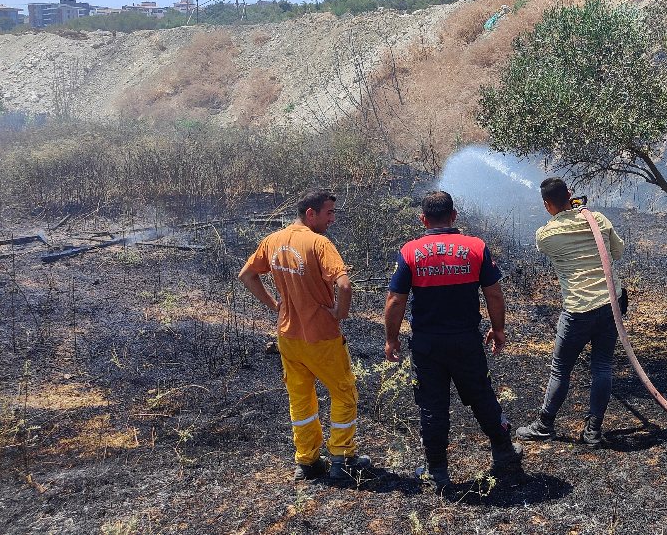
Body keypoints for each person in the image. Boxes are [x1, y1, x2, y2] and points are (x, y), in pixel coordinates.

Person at [383, 191, 522, 492]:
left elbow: (395, 300)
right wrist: (499, 330)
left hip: (427, 344)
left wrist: (391, 339)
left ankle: (438, 472)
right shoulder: (476, 247)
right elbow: (494, 294)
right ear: (454, 216)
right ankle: (504, 452)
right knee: (482, 397)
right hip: (466, 341)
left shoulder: (410, 252)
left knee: (433, 407)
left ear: (423, 219)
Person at [239, 189, 375, 482]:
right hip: (322, 337)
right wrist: (340, 313)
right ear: (310, 213)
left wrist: (274, 305)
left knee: (301, 399)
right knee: (344, 392)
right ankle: (341, 457)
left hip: (287, 337)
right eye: (329, 213)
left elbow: (246, 275)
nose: (333, 219)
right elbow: (345, 285)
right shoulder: (319, 243)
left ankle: (307, 462)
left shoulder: (272, 241)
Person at [515, 178, 627, 448]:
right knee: (602, 365)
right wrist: (582, 213)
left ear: (546, 205)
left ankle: (544, 425)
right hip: (611, 303)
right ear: (570, 194)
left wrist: (569, 214)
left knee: (560, 368)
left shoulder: (546, 235)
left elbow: (553, 237)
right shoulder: (597, 219)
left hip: (579, 310)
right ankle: (593, 431)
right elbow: (618, 252)